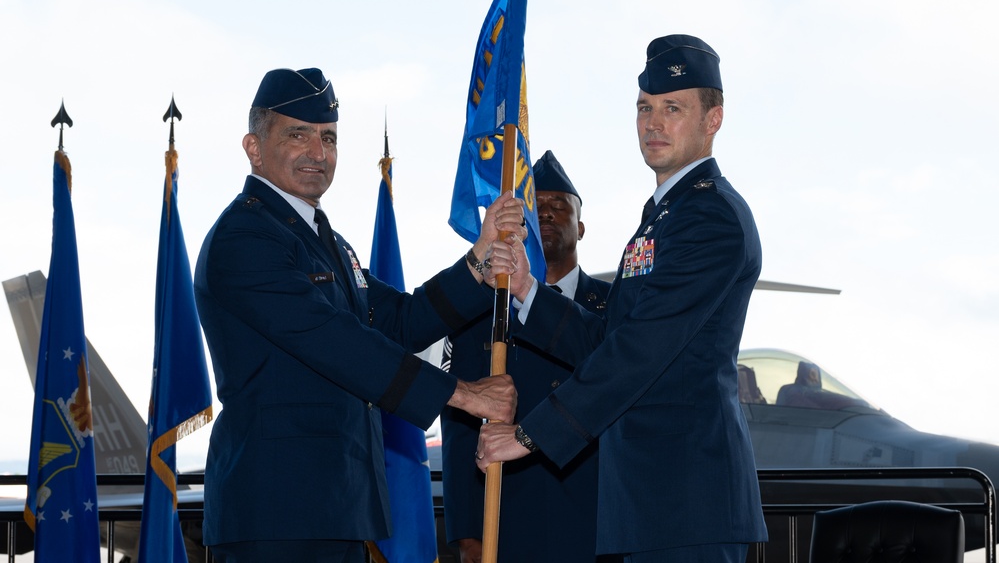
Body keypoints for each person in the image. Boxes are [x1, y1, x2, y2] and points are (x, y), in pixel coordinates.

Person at [193, 67, 525, 563]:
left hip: (337, 509)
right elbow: (336, 343)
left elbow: (402, 320)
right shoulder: (246, 238)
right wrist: (464, 395)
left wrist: (477, 264)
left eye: (328, 138)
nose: (318, 153)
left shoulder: (325, 242)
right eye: (298, 135)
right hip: (276, 515)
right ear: (254, 148)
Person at [477, 36, 769, 562]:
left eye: (673, 109)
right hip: (647, 504)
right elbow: (606, 337)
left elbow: (640, 350)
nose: (653, 124)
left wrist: (531, 435)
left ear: (714, 119)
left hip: (687, 504)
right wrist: (527, 291)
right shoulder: (665, 215)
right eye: (644, 108)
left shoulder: (711, 217)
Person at [440, 150, 616, 563]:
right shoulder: (484, 312)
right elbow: (460, 424)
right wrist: (467, 533)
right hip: (510, 519)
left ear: (582, 226)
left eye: (560, 206)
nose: (548, 214)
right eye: (538, 207)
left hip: (599, 521)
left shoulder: (612, 310)